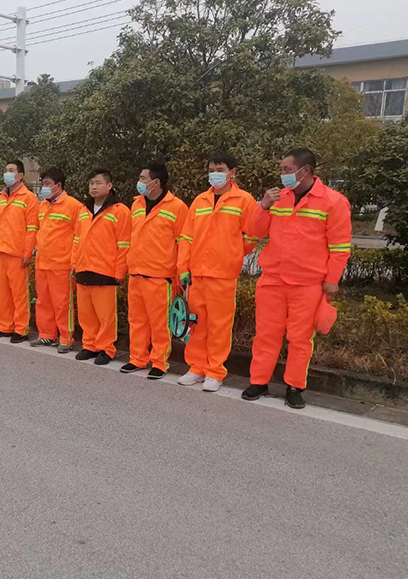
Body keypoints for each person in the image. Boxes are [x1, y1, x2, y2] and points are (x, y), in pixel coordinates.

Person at [242, 148, 352, 409]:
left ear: (306, 171)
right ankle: (259, 381)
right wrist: (263, 206)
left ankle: (294, 386)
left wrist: (332, 280)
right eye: (282, 170)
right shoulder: (278, 198)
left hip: (308, 283)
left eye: (287, 170)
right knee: (265, 335)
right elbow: (254, 231)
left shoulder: (333, 202)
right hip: (273, 280)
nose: (283, 175)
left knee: (300, 338)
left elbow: (340, 247)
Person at [176, 152, 259, 392]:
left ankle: (215, 371)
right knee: (196, 323)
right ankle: (196, 368)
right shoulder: (200, 200)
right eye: (212, 170)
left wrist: (232, 253)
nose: (215, 174)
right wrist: (183, 267)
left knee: (219, 326)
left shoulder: (244, 200)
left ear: (232, 172)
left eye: (220, 169)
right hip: (197, 273)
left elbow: (252, 236)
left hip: (223, 274)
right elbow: (186, 237)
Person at [122, 162, 189, 379]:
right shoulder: (137, 204)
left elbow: (182, 243)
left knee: (160, 323)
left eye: (143, 178)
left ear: (156, 182)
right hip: (136, 273)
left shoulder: (177, 207)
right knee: (136, 321)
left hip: (160, 276)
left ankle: (160, 362)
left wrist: (180, 274)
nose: (139, 182)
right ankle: (137, 358)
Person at [73, 168, 131, 365]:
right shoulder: (83, 210)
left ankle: (106, 348)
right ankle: (89, 345)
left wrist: (120, 271)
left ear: (109, 185)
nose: (94, 187)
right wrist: (74, 263)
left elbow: (123, 244)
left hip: (105, 270)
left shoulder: (119, 211)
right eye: (91, 183)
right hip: (83, 268)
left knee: (105, 315)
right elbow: (76, 240)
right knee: (86, 313)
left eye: (98, 183)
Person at [31, 167, 88, 354]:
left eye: (47, 184)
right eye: (43, 184)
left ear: (59, 185)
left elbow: (79, 236)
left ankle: (66, 337)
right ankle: (47, 334)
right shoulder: (43, 205)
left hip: (61, 264)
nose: (44, 188)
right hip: (43, 262)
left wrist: (74, 262)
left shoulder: (73, 206)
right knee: (43, 301)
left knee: (62, 303)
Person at [0, 159, 39, 343]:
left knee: (19, 294)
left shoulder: (29, 198)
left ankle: (21, 328)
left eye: (11, 170)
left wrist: (27, 253)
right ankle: (5, 326)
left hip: (17, 253)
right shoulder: (1, 198)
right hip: (0, 251)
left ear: (21, 175)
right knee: (2, 293)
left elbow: (32, 228)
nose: (7, 173)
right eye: (6, 170)